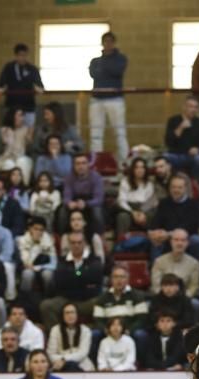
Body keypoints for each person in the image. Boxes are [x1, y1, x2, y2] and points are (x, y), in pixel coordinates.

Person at [40, 231, 104, 328]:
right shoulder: (62, 261)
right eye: (73, 243)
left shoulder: (94, 260)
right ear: (69, 244)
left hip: (87, 301)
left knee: (103, 302)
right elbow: (59, 282)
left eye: (79, 242)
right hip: (66, 299)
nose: (76, 245)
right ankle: (59, 334)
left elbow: (96, 280)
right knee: (46, 306)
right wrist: (82, 276)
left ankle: (92, 334)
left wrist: (74, 274)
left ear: (85, 243)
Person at [89, 32, 129, 162]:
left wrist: (104, 68)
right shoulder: (95, 61)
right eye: (105, 41)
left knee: (120, 133)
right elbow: (93, 73)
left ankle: (124, 163)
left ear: (114, 43)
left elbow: (117, 71)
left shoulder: (121, 58)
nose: (108, 44)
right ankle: (96, 163)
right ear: (102, 43)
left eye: (110, 41)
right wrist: (106, 68)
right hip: (96, 100)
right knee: (96, 134)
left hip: (115, 99)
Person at [0, 43, 44, 128]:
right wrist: (1, 89)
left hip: (28, 108)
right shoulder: (8, 68)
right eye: (20, 55)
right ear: (16, 55)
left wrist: (37, 88)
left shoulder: (32, 69)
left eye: (24, 55)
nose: (22, 58)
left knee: (28, 134)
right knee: (10, 132)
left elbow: (40, 87)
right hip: (11, 108)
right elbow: (0, 86)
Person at [62, 153, 106, 234]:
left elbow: (99, 199)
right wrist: (69, 203)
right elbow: (66, 197)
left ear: (88, 165)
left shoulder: (96, 177)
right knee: (62, 211)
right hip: (75, 201)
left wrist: (86, 203)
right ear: (74, 166)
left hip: (90, 202)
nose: (81, 166)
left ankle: (100, 237)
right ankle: (63, 237)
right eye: (78, 164)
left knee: (97, 211)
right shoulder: (69, 177)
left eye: (83, 163)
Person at [47, 302, 94, 372]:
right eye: (67, 313)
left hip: (82, 365)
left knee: (72, 365)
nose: (70, 315)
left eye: (72, 312)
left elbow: (82, 353)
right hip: (59, 366)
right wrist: (63, 361)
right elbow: (51, 354)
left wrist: (64, 360)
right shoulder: (55, 330)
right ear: (62, 316)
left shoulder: (85, 330)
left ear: (77, 314)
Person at [0, 109, 34, 183]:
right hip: (5, 159)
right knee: (9, 164)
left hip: (22, 157)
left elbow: (31, 149)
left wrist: (29, 139)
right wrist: (4, 141)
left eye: (22, 115)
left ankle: (23, 188)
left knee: (22, 161)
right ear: (12, 116)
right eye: (19, 115)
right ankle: (11, 189)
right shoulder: (3, 130)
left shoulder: (27, 129)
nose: (21, 118)